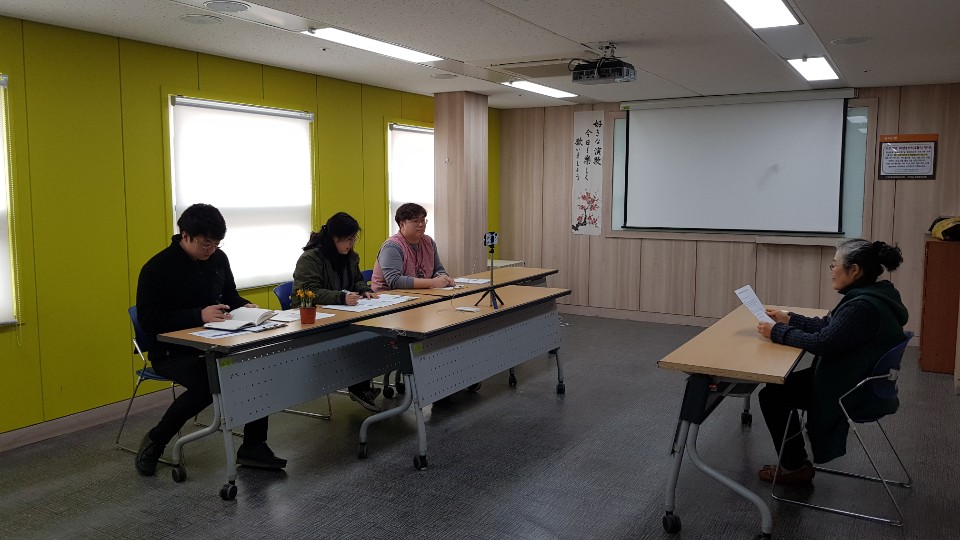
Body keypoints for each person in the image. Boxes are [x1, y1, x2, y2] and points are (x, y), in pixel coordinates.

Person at [134, 203, 286, 476]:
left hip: (216, 343)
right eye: (206, 244)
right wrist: (198, 315)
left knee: (256, 367)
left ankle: (253, 446)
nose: (211, 250)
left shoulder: (218, 258)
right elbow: (150, 321)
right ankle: (156, 441)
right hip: (173, 352)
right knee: (208, 384)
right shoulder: (157, 269)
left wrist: (245, 306)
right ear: (185, 236)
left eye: (216, 244)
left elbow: (229, 295)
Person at [754, 239, 908, 485]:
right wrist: (789, 319)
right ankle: (794, 463)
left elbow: (822, 343)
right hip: (861, 378)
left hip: (853, 390)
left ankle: (794, 468)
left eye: (834, 265)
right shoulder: (876, 294)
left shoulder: (861, 307)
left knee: (773, 396)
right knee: (778, 388)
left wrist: (777, 332)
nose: (831, 271)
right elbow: (832, 327)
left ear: (854, 270)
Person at [291, 212, 383, 412]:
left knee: (370, 333)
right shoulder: (311, 259)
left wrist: (364, 290)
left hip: (344, 315)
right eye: (349, 239)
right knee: (360, 337)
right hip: (317, 319)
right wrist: (340, 297)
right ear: (334, 238)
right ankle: (359, 386)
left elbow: (357, 280)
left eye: (354, 238)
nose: (352, 244)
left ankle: (360, 385)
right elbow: (307, 291)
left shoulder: (351, 257)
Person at [371, 203, 455, 292]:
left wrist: (443, 278)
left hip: (422, 294)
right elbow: (395, 281)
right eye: (415, 221)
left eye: (423, 220)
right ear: (402, 225)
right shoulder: (392, 247)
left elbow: (438, 269)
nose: (421, 225)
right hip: (389, 296)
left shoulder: (429, 242)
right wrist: (433, 283)